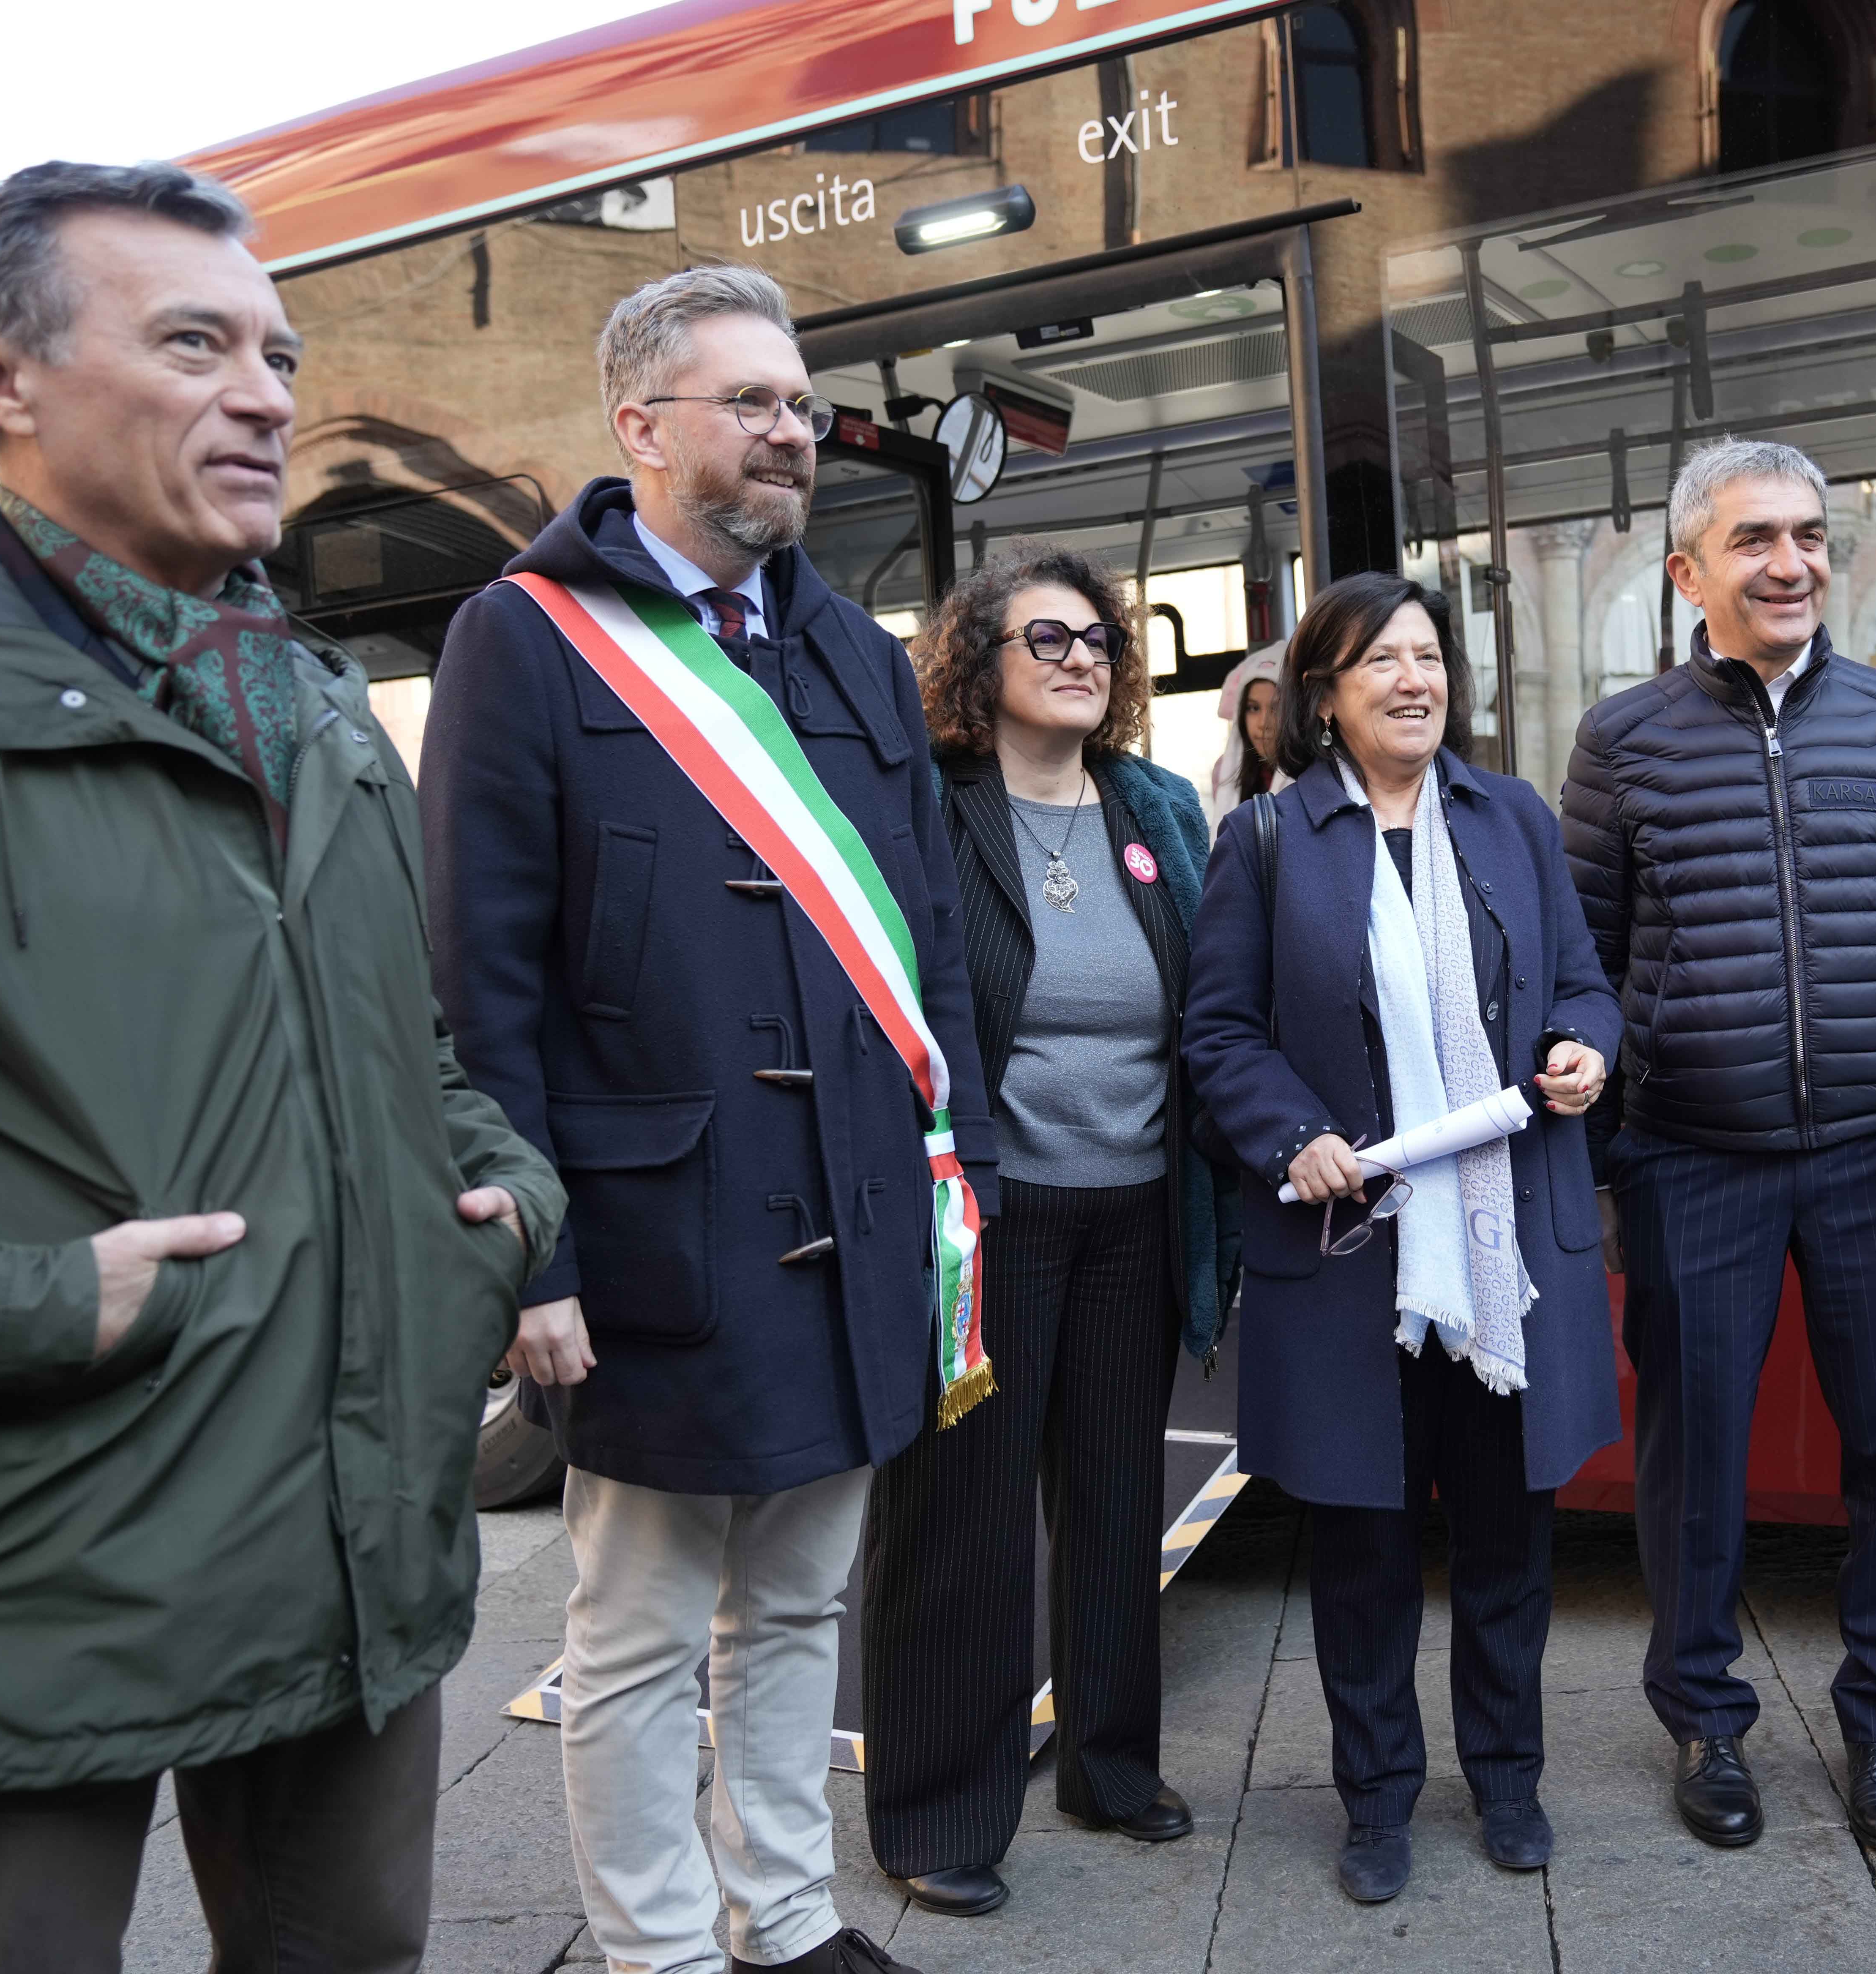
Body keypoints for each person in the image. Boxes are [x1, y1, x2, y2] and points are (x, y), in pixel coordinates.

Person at [0, 162, 565, 1971]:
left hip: (355, 1549)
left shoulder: (310, 704)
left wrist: (499, 1198)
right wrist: (43, 1304)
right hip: (41, 1581)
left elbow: (415, 1039)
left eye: (279, 354)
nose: (266, 395)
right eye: (193, 342)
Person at [422, 265, 974, 1974]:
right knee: (641, 1633)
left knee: (801, 1604)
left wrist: (958, 1174)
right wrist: (533, 1260)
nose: (792, 431)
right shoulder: (520, 637)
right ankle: (655, 1948)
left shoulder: (849, 645)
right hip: (660, 1236)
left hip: (860, 1219)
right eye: (750, 401)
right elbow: (479, 985)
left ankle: (785, 1918)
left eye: (801, 404)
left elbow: (930, 935)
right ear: (639, 424)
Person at [1561, 437, 1876, 1857]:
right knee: (1693, 1454)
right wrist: (1599, 1159)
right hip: (1690, 1158)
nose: (1791, 563)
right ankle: (1705, 1719)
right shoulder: (1624, 740)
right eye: (1757, 539)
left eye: (1810, 536)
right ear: (1688, 570)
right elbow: (1584, 969)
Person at [1184, 571, 1621, 1904]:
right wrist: (1287, 1133)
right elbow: (1218, 1034)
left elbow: (1586, 988)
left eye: (1429, 658)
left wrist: (1581, 1053)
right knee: (1364, 1554)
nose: (1413, 681)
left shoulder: (1512, 820)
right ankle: (1374, 1797)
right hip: (1350, 1256)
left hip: (1505, 1259)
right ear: (1324, 692)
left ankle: (1506, 1780)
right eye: (1381, 662)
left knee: (1507, 1544)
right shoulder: (1267, 843)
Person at [860, 540, 1236, 1917]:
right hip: (990, 1220)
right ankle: (935, 1811)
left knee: (1118, 1496)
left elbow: (1207, 995)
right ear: (978, 665)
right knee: (960, 1513)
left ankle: (1111, 1767)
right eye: (1048, 639)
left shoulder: (1150, 807)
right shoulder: (936, 811)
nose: (1083, 657)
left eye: (1097, 640)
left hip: (1135, 1211)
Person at [1207, 640, 1285, 822]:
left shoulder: (1318, 774)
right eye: (1254, 708)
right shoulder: (1224, 773)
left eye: (1276, 709)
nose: (1264, 723)